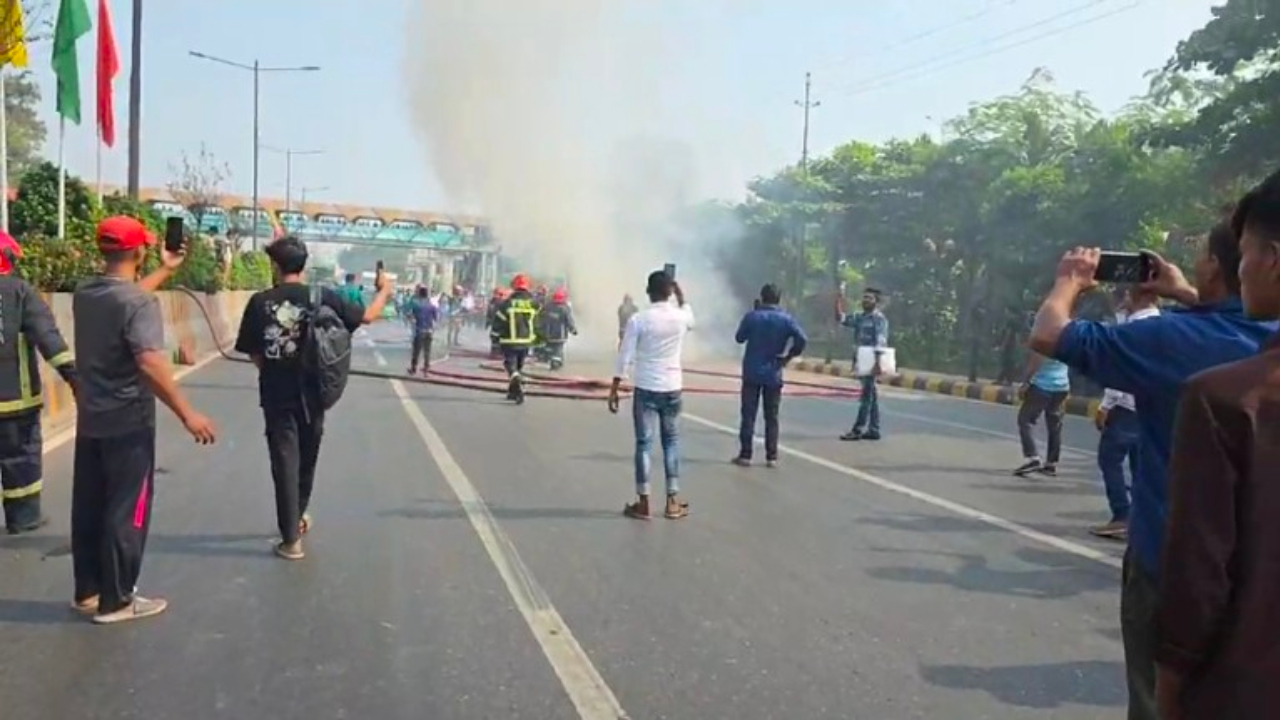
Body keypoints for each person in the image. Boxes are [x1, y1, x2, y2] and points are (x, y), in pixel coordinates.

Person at [1027, 223, 1277, 720]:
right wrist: (1186, 291)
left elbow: (1048, 334)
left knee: (1161, 699)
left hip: (1174, 562)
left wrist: (1070, 280)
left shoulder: (1171, 339)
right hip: (1266, 572)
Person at [1153, 175, 1280, 720]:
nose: (1239, 268)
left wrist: (1170, 695)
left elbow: (1197, 581)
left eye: (1245, 252)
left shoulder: (1225, 398)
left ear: (1272, 258)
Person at [71, 216, 217, 625]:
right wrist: (188, 414)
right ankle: (117, 600)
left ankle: (88, 590)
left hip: (92, 419)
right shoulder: (139, 305)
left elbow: (125, 300)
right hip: (128, 421)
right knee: (127, 508)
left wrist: (166, 270)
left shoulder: (86, 293)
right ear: (138, 251)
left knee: (89, 505)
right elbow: (151, 363)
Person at [235, 236, 392, 561]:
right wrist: (384, 290)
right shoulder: (323, 296)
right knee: (307, 457)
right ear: (303, 264)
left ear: (275, 266)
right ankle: (298, 515)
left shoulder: (260, 301)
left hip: (277, 394)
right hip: (316, 392)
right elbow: (366, 317)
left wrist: (275, 368)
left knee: (284, 461)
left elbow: (254, 353)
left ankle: (291, 537)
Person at [0, 231, 77, 534]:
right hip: (15, 402)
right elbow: (49, 340)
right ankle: (24, 517)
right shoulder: (21, 292)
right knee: (20, 459)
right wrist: (74, 378)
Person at [608, 270, 694, 520]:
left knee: (644, 444)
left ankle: (643, 502)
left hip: (646, 387)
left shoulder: (639, 320)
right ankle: (672, 501)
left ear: (648, 292)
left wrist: (614, 387)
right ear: (670, 291)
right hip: (672, 386)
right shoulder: (680, 318)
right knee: (671, 442)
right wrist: (680, 294)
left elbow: (625, 356)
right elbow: (691, 316)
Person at [1090, 287, 1159, 539]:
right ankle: (1142, 518)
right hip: (1152, 408)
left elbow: (1119, 368)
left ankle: (1122, 515)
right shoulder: (1166, 325)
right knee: (1141, 466)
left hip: (1126, 407)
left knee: (1110, 460)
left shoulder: (1132, 329)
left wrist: (1106, 405)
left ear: (1133, 296)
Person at [731, 284, 807, 468]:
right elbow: (802, 339)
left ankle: (745, 455)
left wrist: (754, 314)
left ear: (761, 297)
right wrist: (788, 356)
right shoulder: (786, 319)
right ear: (779, 299)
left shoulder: (753, 317)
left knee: (748, 415)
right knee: (771, 416)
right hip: (774, 372)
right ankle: (771, 456)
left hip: (752, 372)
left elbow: (739, 338)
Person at [838, 288, 889, 441]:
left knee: (866, 396)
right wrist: (838, 300)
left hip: (872, 358)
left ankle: (858, 429)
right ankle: (874, 429)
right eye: (864, 298)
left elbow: (881, 341)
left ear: (876, 301)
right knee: (871, 395)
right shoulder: (860, 317)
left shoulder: (879, 319)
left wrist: (878, 363)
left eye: (869, 298)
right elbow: (841, 319)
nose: (865, 300)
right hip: (861, 358)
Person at [1012, 352, 1070, 477]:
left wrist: (1025, 383)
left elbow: (1034, 364)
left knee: (1025, 420)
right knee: (1055, 425)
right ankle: (1051, 463)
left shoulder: (1043, 341)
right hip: (1062, 387)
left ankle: (1033, 457)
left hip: (1042, 386)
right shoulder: (1067, 339)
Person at [491, 274, 538, 401]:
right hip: (526, 342)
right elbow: (539, 322)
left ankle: (515, 378)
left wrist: (494, 340)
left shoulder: (507, 304)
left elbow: (498, 323)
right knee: (519, 365)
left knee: (510, 365)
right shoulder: (533, 304)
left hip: (509, 341)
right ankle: (513, 392)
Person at [536, 287, 577, 365]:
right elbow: (569, 320)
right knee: (558, 350)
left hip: (547, 334)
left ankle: (550, 359)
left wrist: (539, 329)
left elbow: (540, 318)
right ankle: (556, 361)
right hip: (560, 335)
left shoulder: (547, 307)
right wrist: (573, 330)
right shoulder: (565, 308)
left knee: (550, 347)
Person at [407, 286, 439, 376]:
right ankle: (426, 370)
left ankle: (413, 369)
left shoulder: (416, 305)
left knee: (416, 351)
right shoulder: (432, 306)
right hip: (429, 331)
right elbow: (436, 318)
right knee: (427, 351)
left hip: (419, 330)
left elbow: (409, 315)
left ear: (419, 294)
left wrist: (413, 320)